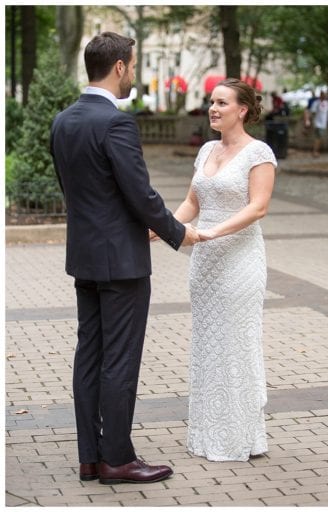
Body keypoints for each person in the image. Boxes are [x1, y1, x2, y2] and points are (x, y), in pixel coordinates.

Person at [50, 31, 199, 485]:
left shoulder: (63, 120)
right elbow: (139, 192)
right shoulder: (116, 122)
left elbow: (74, 189)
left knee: (89, 356)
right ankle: (118, 459)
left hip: (86, 256)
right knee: (120, 360)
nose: (133, 73)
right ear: (119, 67)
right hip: (122, 261)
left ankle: (90, 458)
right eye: (132, 66)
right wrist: (179, 232)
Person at [169, 78, 277, 461]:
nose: (213, 108)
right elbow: (190, 202)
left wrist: (210, 233)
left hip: (239, 258)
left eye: (221, 103)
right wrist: (163, 228)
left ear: (242, 110)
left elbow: (257, 207)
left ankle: (241, 436)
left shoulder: (258, 153)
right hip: (205, 262)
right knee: (208, 343)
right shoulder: (206, 151)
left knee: (236, 343)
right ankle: (208, 431)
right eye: (211, 102)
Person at [306, 91, 328, 157]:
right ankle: (315, 152)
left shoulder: (327, 103)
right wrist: (310, 121)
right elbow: (312, 112)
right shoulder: (316, 103)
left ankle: (317, 151)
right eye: (323, 95)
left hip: (324, 124)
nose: (324, 96)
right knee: (318, 138)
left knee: (320, 138)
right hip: (317, 123)